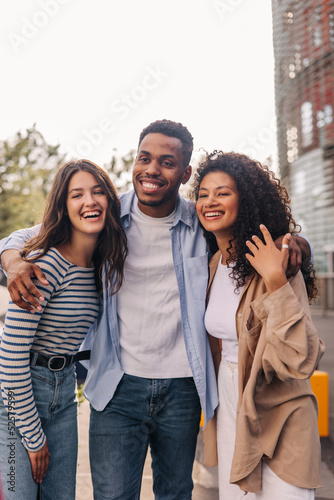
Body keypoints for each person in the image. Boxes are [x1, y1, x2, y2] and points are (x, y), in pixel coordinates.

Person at [0, 121, 312, 500]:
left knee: (176, 493)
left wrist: (298, 242)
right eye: (144, 158)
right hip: (117, 387)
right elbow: (41, 230)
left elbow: (254, 228)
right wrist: (13, 259)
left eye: (166, 162)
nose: (151, 170)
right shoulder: (108, 217)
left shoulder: (201, 221)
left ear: (185, 173)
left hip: (184, 389)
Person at [193, 151, 325, 499]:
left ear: (246, 199)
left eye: (223, 192)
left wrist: (277, 280)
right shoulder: (212, 265)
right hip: (231, 401)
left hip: (279, 408)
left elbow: (302, 358)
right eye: (203, 194)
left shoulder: (276, 259)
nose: (210, 201)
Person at [0, 159, 127, 500]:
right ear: (63, 205)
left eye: (98, 192)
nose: (90, 201)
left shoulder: (103, 263)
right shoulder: (46, 264)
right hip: (16, 397)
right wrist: (33, 438)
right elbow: (10, 362)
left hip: (65, 392)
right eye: (77, 195)